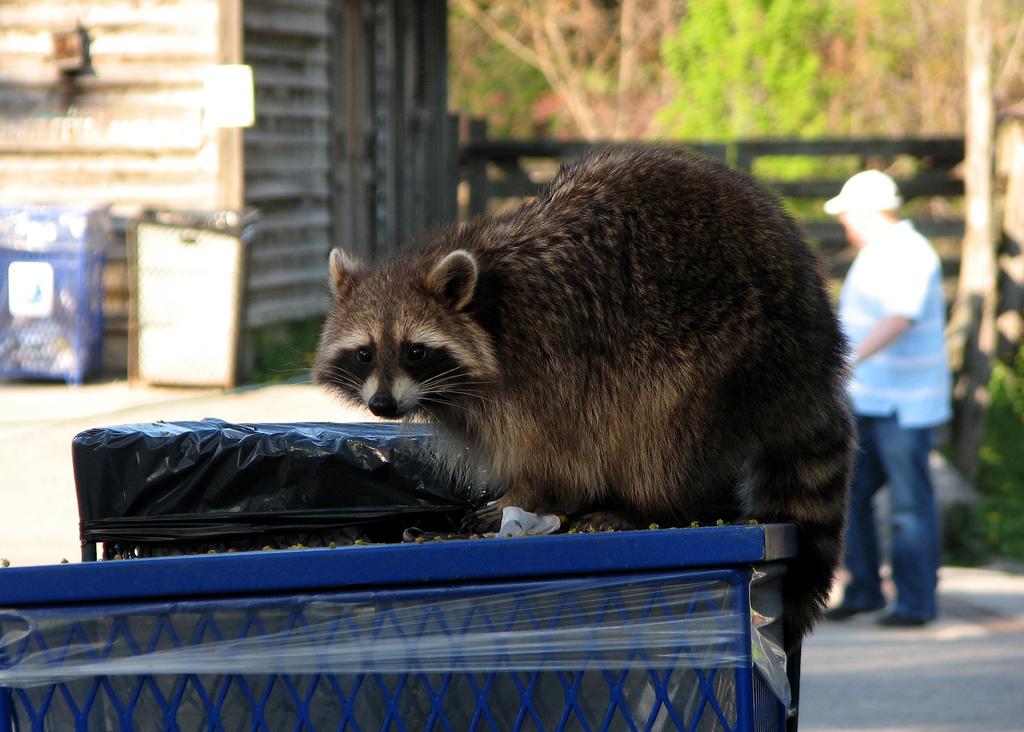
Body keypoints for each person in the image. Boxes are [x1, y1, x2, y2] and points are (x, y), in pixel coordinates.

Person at [823, 170, 952, 627]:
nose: (845, 225)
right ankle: (864, 590)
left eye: (847, 215)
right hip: (873, 400)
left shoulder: (909, 253)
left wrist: (848, 359)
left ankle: (916, 602)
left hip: (906, 405)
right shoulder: (876, 254)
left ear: (870, 211)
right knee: (850, 496)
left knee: (909, 505)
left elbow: (899, 317)